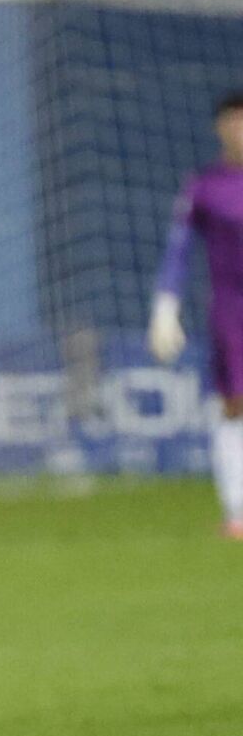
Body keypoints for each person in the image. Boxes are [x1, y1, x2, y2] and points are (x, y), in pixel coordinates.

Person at [149, 90, 243, 538]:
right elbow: (179, 250)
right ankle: (238, 511)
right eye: (234, 121)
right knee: (233, 405)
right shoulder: (205, 185)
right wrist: (166, 307)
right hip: (231, 309)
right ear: (219, 128)